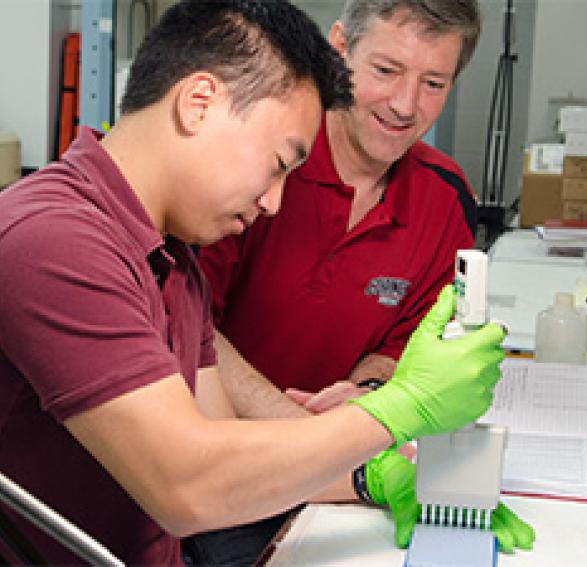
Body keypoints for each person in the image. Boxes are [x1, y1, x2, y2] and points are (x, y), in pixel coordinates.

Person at [0, 1, 506, 566]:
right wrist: (399, 411)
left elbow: (229, 451)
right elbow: (189, 486)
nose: (274, 202)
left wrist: (369, 478)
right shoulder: (52, 239)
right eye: (277, 163)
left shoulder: (173, 257)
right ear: (199, 104)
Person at [197, 0, 534, 564]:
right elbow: (186, 331)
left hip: (343, 484)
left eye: (433, 82)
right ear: (339, 49)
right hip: (222, 471)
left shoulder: (444, 197)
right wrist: (327, 442)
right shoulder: (260, 164)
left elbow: (408, 346)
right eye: (385, 71)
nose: (405, 105)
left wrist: (372, 393)